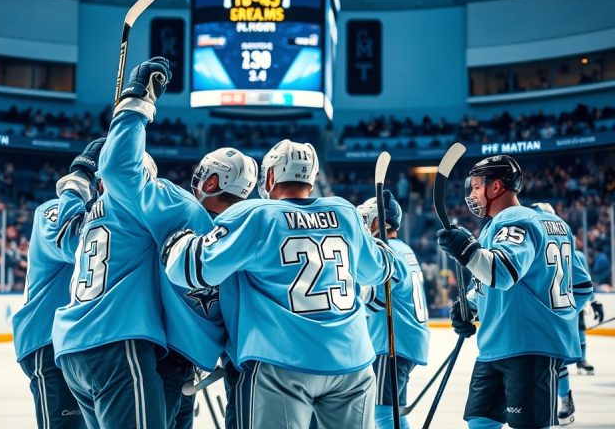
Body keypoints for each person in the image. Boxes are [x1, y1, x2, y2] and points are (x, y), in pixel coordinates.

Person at [162, 139, 394, 429]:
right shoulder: (346, 212)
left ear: (270, 175)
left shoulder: (257, 214)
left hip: (281, 363)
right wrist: (380, 239)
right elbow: (381, 270)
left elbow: (190, 269)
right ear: (312, 178)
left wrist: (178, 241)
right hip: (352, 364)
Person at [51, 57, 213, 428]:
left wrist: (78, 178)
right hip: (117, 341)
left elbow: (63, 238)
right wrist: (137, 100)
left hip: (72, 349)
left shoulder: (92, 216)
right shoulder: (143, 197)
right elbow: (123, 169)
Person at [437, 155, 592, 429]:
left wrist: (466, 250)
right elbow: (581, 287)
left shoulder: (514, 219)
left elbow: (502, 272)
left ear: (496, 187)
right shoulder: (547, 225)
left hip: (527, 348)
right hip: (498, 346)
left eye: (476, 187)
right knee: (480, 421)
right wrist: (471, 305)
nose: (472, 195)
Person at [158, 147, 258, 429]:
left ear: (212, 182)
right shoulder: (249, 233)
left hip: (162, 356)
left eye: (203, 174)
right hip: (231, 361)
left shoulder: (178, 211)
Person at [11, 137, 106, 428]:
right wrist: (78, 178)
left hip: (79, 340)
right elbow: (74, 244)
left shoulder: (103, 216)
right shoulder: (52, 210)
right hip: (47, 339)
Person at [357, 190, 429, 429]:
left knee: (383, 413)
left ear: (378, 222)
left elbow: (375, 301)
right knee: (390, 412)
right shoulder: (403, 249)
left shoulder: (388, 252)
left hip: (390, 343)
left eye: (366, 220)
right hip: (405, 341)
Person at [529, 202, 601, 425]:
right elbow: (585, 285)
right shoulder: (562, 241)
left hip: (554, 309)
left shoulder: (536, 241)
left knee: (553, 361)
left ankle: (562, 399)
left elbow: (583, 283)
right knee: (552, 361)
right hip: (560, 308)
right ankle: (562, 400)